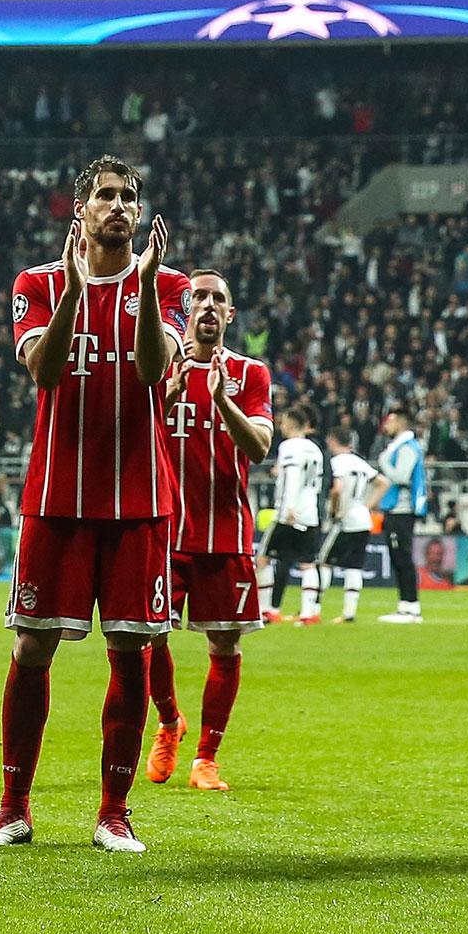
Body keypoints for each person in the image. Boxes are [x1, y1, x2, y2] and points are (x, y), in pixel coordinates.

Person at [0, 155, 188, 854]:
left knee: (129, 650)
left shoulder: (171, 285)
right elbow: (44, 369)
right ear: (81, 211)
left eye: (128, 197)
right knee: (32, 647)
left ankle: (114, 813)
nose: (117, 207)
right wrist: (73, 293)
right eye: (104, 197)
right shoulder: (37, 282)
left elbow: (155, 369)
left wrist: (146, 288)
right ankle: (12, 809)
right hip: (57, 497)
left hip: (139, 499)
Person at [145, 269, 273, 792]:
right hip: (164, 530)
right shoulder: (159, 366)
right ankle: (170, 721)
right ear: (184, 307)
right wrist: (169, 396)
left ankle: (206, 758)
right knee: (148, 636)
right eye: (198, 296)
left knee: (225, 645)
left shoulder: (250, 375)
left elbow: (260, 448)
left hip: (225, 533)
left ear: (230, 314)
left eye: (219, 298)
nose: (208, 306)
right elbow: (130, 432)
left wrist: (222, 401)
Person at [265, 408, 326, 626]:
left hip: (289, 513)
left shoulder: (288, 446)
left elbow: (293, 476)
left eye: (283, 422)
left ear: (291, 424)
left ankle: (267, 609)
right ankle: (309, 613)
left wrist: (289, 507)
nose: (280, 426)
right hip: (310, 513)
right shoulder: (315, 449)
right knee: (308, 563)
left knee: (263, 558)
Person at [320, 427, 386, 622]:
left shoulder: (337, 462)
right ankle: (349, 613)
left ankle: (313, 606)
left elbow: (336, 490)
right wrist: (367, 506)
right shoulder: (359, 461)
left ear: (332, 440)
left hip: (345, 518)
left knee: (324, 562)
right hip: (363, 518)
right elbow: (383, 482)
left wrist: (334, 510)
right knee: (354, 566)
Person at [375, 407, 428, 623]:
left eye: (390, 421)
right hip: (395, 509)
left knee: (403, 557)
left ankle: (411, 607)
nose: (386, 426)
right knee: (398, 558)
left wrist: (383, 461)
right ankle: (405, 605)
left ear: (400, 423)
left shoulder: (406, 448)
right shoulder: (401, 446)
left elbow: (401, 476)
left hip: (402, 510)